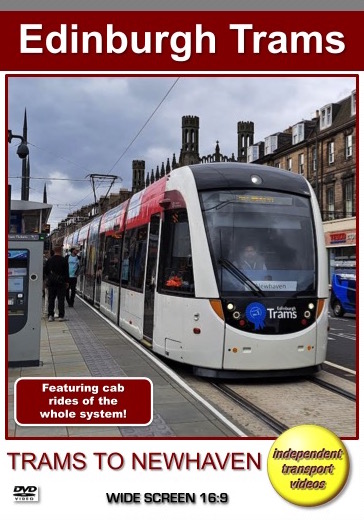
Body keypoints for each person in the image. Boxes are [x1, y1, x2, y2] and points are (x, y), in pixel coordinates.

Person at [44, 245, 69, 321]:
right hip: (61, 283)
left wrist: (48, 279)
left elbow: (45, 271)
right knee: (61, 299)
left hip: (51, 283)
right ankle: (61, 316)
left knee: (51, 299)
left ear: (54, 251)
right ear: (60, 250)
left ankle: (50, 315)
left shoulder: (49, 260)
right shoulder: (64, 260)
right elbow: (66, 272)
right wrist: (67, 282)